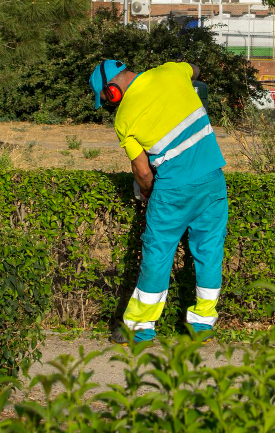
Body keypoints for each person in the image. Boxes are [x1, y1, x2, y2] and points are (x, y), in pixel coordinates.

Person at [89, 59, 228, 343]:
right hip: (213, 179)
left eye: (107, 101)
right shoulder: (171, 71)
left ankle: (140, 328)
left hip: (173, 189)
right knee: (209, 250)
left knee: (157, 254)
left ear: (112, 90)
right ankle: (202, 324)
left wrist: (149, 193)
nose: (110, 107)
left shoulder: (123, 118)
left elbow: (142, 171)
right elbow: (196, 69)